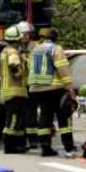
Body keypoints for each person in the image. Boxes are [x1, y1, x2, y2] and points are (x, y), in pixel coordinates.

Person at [27, 28, 76, 157]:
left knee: (44, 117)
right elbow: (63, 69)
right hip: (54, 87)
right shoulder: (56, 49)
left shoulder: (35, 50)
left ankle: (45, 147)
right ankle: (69, 147)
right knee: (63, 117)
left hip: (37, 88)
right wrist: (69, 87)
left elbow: (29, 67)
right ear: (55, 38)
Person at [0, 25, 29, 154]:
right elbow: (14, 68)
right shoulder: (13, 52)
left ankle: (18, 145)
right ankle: (10, 146)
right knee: (14, 119)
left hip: (10, 90)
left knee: (16, 118)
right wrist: (22, 71)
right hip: (15, 90)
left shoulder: (5, 50)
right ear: (17, 40)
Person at [16, 21, 40, 149]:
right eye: (24, 34)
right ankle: (21, 140)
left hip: (31, 85)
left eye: (28, 34)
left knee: (31, 113)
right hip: (19, 86)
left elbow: (35, 64)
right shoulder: (14, 47)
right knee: (20, 113)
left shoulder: (35, 46)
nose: (26, 36)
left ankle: (33, 140)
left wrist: (24, 58)